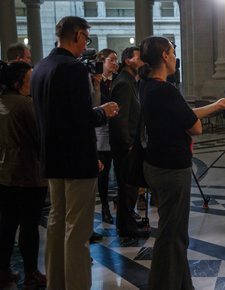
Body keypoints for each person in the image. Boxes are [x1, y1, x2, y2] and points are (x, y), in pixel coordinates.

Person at [138, 36, 225, 290]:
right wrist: (196, 119)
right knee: (171, 236)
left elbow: (183, 115)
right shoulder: (166, 90)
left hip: (155, 164)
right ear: (164, 57)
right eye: (172, 51)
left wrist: (215, 106)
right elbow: (195, 128)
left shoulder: (147, 85)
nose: (175, 56)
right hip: (172, 168)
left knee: (176, 233)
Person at [30, 16, 119, 289]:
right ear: (78, 35)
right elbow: (80, 118)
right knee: (78, 230)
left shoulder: (41, 67)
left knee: (57, 222)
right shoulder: (73, 68)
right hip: (77, 158)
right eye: (86, 39)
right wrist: (103, 112)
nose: (86, 46)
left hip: (52, 157)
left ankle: (55, 282)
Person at [0, 61, 47, 288]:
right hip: (28, 172)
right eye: (29, 80)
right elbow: (40, 137)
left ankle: (3, 269)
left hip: (5, 172)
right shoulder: (25, 105)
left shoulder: (3, 101)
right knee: (29, 226)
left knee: (7, 223)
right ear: (18, 83)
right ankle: (31, 272)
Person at [109, 46, 147, 238]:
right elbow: (120, 118)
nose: (142, 62)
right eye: (139, 58)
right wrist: (129, 144)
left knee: (130, 187)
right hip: (126, 145)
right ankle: (126, 226)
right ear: (128, 60)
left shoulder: (131, 81)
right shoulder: (124, 83)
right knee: (127, 188)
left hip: (130, 143)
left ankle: (128, 221)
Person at [96, 48, 119, 224]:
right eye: (111, 59)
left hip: (117, 130)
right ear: (102, 61)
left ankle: (121, 203)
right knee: (103, 173)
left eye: (116, 60)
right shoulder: (94, 82)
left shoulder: (118, 81)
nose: (115, 63)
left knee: (120, 171)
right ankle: (104, 206)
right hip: (101, 132)